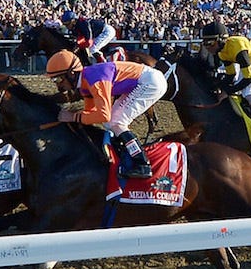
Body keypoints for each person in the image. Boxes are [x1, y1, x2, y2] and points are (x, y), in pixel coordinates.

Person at [45, 50, 165, 179]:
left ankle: (142, 164)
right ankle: (122, 154)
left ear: (71, 74)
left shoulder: (94, 79)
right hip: (143, 81)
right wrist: (73, 117)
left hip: (150, 82)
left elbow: (103, 115)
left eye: (58, 79)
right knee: (111, 123)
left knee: (116, 121)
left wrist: (73, 117)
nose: (57, 85)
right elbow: (90, 113)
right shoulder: (85, 83)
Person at [200, 21, 251, 134]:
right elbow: (231, 76)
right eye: (205, 43)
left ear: (221, 40)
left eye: (210, 43)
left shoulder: (236, 46)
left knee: (247, 91)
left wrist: (226, 92)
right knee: (239, 87)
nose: (207, 47)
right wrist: (217, 87)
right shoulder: (222, 52)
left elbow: (249, 78)